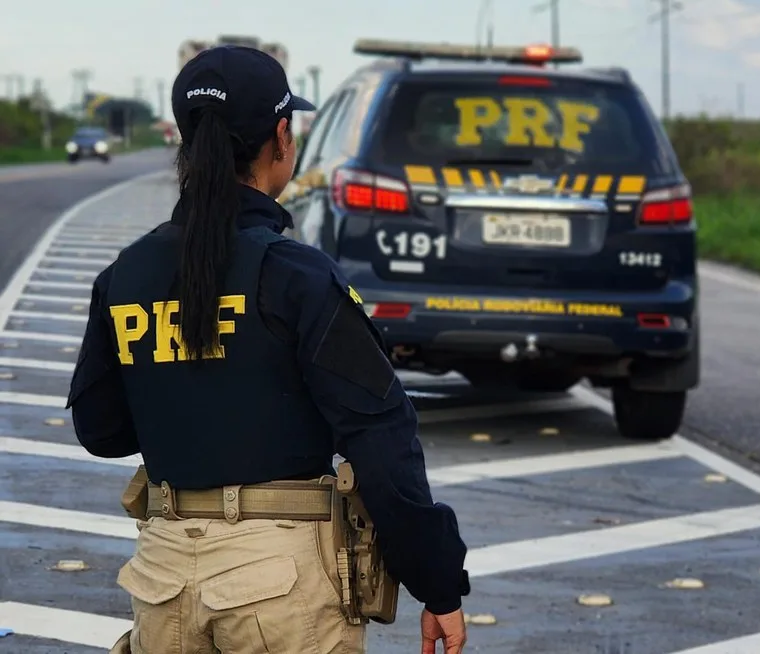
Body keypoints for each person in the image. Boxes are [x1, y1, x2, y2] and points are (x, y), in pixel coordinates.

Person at [67, 45, 469, 654]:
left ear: (186, 139)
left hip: (162, 583)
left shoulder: (124, 276)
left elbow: (101, 429)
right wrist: (438, 583)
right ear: (281, 138)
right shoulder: (298, 276)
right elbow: (381, 438)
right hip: (280, 590)